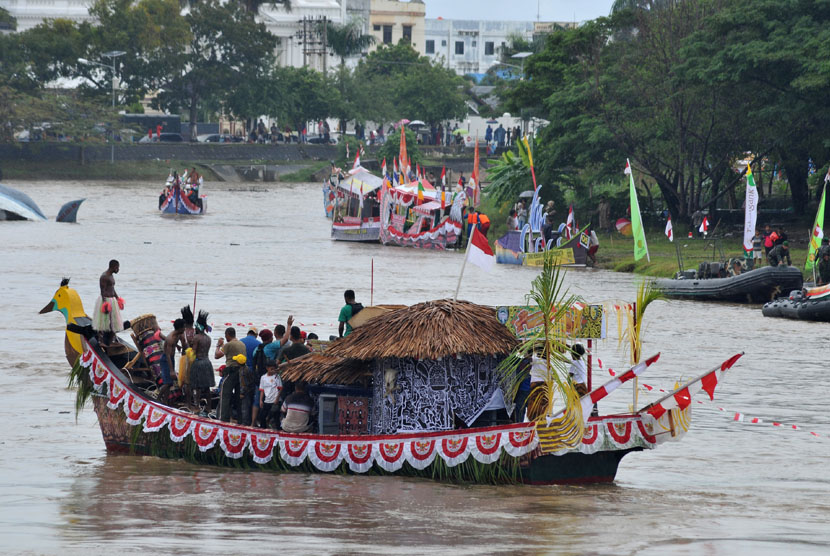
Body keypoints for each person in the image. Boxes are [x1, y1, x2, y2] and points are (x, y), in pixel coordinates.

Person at [215, 327, 246, 422]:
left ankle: (223, 419)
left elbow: (216, 355)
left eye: (225, 335)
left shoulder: (228, 345)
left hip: (231, 372)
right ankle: (240, 420)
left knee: (225, 395)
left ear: (228, 334)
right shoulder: (241, 344)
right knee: (238, 398)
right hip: (241, 372)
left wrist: (218, 345)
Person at [93, 260, 124, 346]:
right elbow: (102, 291)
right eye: (117, 267)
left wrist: (118, 299)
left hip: (112, 300)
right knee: (103, 320)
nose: (118, 269)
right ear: (113, 267)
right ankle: (100, 341)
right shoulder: (104, 276)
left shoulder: (111, 276)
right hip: (105, 300)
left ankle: (111, 342)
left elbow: (112, 289)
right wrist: (105, 304)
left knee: (114, 321)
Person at [189, 311, 215, 415]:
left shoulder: (196, 338)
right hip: (207, 362)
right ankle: (209, 407)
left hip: (199, 362)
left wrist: (189, 346)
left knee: (196, 386)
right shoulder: (208, 338)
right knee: (207, 386)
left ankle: (196, 407)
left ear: (198, 328)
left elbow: (193, 352)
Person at [159, 318, 187, 405]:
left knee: (170, 383)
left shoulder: (178, 334)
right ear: (179, 328)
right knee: (167, 383)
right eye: (184, 327)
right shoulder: (170, 338)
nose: (185, 329)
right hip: (166, 360)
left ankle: (165, 402)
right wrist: (171, 370)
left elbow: (182, 343)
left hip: (171, 358)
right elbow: (167, 355)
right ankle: (158, 398)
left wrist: (177, 346)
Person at [258, 359, 282, 428]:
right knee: (262, 416)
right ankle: (263, 430)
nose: (273, 370)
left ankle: (277, 431)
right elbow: (262, 390)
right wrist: (261, 400)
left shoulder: (276, 377)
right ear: (267, 368)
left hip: (275, 400)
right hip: (267, 400)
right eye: (271, 369)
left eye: (274, 369)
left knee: (276, 417)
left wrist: (277, 399)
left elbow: (280, 388)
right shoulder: (263, 377)